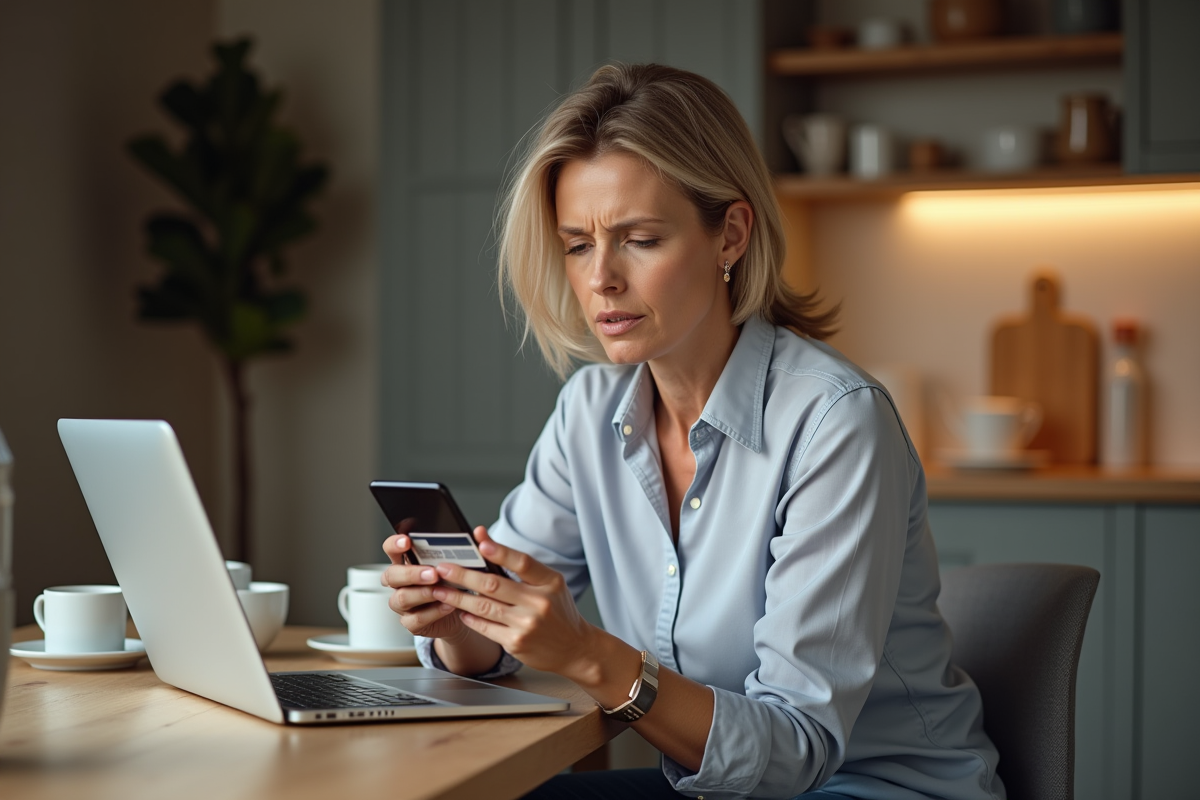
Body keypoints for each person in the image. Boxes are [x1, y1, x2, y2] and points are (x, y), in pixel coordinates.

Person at [381, 63, 1005, 800]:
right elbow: (502, 631)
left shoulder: (834, 422)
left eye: (639, 239)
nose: (600, 279)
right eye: (578, 244)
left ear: (730, 236)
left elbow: (796, 750)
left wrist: (586, 654)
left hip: (868, 789)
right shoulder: (589, 413)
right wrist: (460, 622)